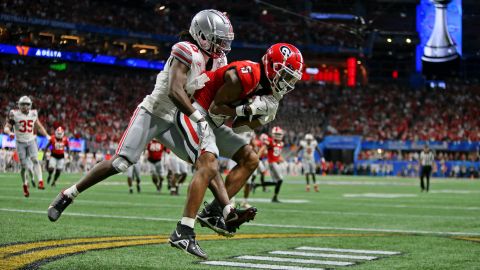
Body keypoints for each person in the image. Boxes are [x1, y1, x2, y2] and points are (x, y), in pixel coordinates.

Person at [48, 10, 248, 260]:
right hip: (155, 112)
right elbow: (176, 90)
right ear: (202, 35)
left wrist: (246, 107)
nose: (222, 46)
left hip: (179, 117)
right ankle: (68, 194)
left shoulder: (217, 60)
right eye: (218, 39)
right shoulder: (186, 50)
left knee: (206, 160)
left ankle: (223, 212)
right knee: (121, 162)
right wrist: (198, 118)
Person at [190, 43, 303, 228]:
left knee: (251, 159)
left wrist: (262, 119)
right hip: (197, 114)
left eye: (290, 79)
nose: (286, 83)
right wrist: (247, 109)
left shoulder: (267, 91)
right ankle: (189, 224)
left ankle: (214, 210)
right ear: (271, 66)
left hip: (212, 123)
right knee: (210, 161)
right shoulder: (248, 73)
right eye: (285, 76)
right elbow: (215, 109)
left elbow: (238, 128)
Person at [3, 96, 50, 197]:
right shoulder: (14, 114)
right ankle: (25, 185)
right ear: (19, 105)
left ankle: (40, 181)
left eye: (27, 104)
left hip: (31, 140)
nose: (25, 106)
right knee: (24, 166)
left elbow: (39, 126)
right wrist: (9, 133)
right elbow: (7, 127)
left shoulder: (33, 113)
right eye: (23, 104)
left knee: (35, 160)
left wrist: (47, 135)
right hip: (20, 142)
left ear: (30, 105)